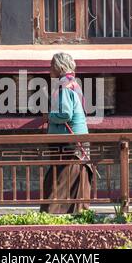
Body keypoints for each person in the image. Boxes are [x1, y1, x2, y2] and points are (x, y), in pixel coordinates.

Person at [40, 52, 92, 214]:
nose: (49, 69)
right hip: (75, 141)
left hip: (69, 143)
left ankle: (52, 214)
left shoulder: (64, 87)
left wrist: (48, 116)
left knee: (58, 180)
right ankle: (77, 212)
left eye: (51, 66)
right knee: (71, 177)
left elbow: (66, 114)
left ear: (58, 67)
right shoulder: (73, 83)